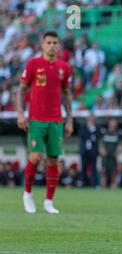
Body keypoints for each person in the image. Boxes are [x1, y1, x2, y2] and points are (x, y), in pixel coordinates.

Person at [16, 31, 73, 214]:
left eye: (55, 42)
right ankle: (28, 193)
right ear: (42, 45)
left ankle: (49, 201)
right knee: (35, 156)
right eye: (48, 42)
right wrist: (20, 114)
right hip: (36, 119)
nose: (52, 46)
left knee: (53, 160)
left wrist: (69, 119)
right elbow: (21, 90)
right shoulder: (33, 64)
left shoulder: (64, 67)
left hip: (56, 120)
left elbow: (67, 94)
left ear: (59, 45)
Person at [99, 118, 122, 188]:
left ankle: (113, 187)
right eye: (112, 122)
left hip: (113, 156)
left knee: (114, 173)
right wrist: (101, 148)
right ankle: (103, 187)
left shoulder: (119, 132)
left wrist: (120, 150)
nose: (113, 124)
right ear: (109, 123)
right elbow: (99, 141)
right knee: (103, 172)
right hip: (105, 156)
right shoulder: (104, 131)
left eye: (114, 123)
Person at [79, 113, 100, 187]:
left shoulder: (97, 127)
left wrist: (92, 131)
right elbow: (82, 135)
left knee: (94, 169)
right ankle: (83, 184)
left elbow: (97, 137)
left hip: (93, 152)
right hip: (84, 151)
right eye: (90, 119)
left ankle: (94, 184)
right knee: (83, 168)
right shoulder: (83, 126)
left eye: (93, 119)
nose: (91, 121)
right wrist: (91, 134)